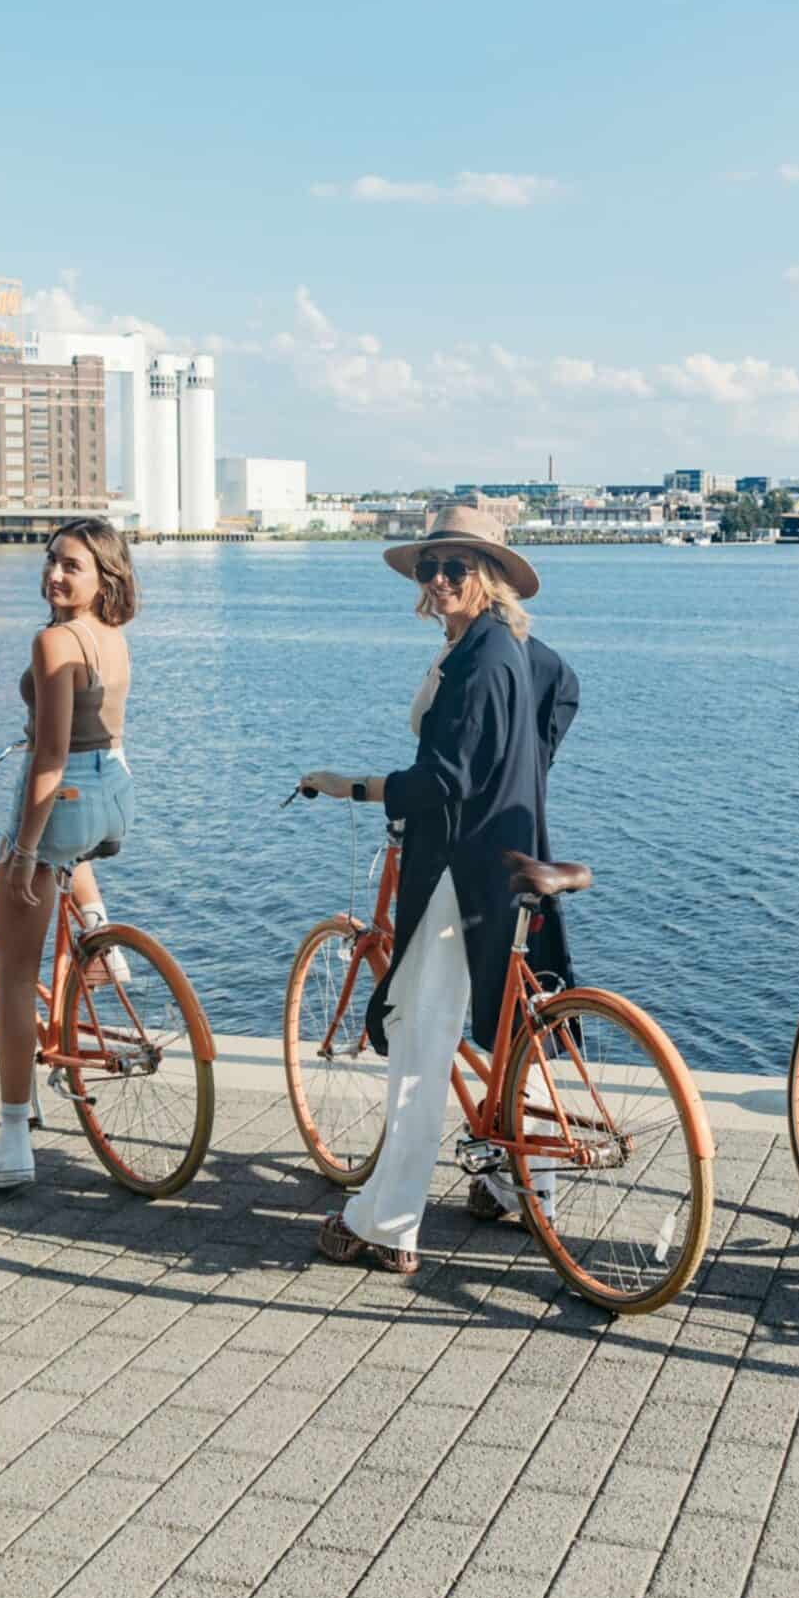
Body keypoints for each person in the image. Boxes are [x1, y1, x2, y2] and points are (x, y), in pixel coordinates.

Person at [299, 503, 569, 1276]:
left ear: (490, 577)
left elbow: (442, 780)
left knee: (420, 1046)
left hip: (459, 869)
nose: (441, 579)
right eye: (430, 567)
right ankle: (525, 1189)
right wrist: (521, 781)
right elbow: (563, 691)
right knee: (516, 1025)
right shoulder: (506, 645)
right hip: (507, 853)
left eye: (457, 567)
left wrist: (352, 786)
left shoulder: (482, 656)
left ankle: (385, 1223)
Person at [0, 519, 137, 1190]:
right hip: (114, 792)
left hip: (65, 792)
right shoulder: (112, 638)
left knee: (13, 973)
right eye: (50, 561)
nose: (53, 574)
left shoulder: (53, 641)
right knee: (70, 853)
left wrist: (22, 851)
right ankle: (101, 931)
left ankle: (14, 1141)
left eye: (70, 565)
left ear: (103, 577)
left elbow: (48, 757)